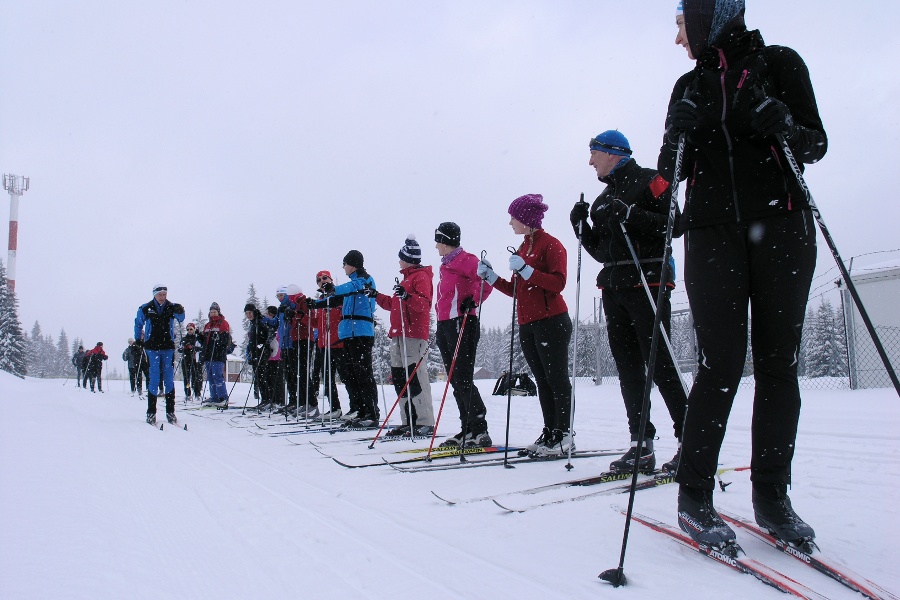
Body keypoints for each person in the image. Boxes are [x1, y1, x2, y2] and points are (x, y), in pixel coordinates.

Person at [660, 0, 826, 549]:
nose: (678, 36)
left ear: (711, 15)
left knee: (779, 362)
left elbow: (815, 143)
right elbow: (667, 178)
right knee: (720, 363)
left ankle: (772, 498)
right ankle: (694, 498)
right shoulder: (688, 87)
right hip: (712, 235)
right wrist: (678, 138)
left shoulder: (781, 63)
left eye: (682, 22)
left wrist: (783, 122)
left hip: (782, 225)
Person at [570, 130, 688, 473]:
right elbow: (602, 251)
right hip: (615, 285)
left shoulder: (652, 180)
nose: (590, 161)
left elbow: (674, 225)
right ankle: (641, 444)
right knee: (628, 368)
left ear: (613, 153)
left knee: (660, 363)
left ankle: (690, 443)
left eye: (594, 153)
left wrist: (632, 215)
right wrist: (582, 228)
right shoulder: (602, 201)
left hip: (648, 281)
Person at [479, 195, 573, 457]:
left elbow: (558, 283)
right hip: (528, 324)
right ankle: (551, 432)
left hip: (552, 321)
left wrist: (529, 271)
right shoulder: (522, 249)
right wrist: (492, 277)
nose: (510, 222)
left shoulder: (551, 245)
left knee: (556, 379)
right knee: (542, 381)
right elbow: (517, 290)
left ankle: (565, 433)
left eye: (513, 217)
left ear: (528, 219)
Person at [434, 222, 493, 447]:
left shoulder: (465, 259)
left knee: (463, 377)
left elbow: (487, 279)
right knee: (454, 378)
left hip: (463, 322)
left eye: (438, 241)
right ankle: (467, 428)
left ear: (446, 241)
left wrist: (474, 300)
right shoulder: (447, 264)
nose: (436, 246)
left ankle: (479, 429)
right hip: (446, 324)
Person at [371, 235, 436, 437]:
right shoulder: (407, 278)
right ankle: (408, 420)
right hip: (399, 334)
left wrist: (407, 295)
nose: (398, 261)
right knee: (400, 378)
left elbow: (424, 305)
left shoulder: (421, 277)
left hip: (414, 334)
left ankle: (424, 422)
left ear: (408, 258)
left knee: (415, 377)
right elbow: (394, 305)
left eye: (400, 257)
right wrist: (375, 295)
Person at [317, 250, 380, 428]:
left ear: (352, 264)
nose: (344, 267)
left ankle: (371, 412)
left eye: (344, 264)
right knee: (353, 374)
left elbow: (352, 288)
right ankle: (360, 409)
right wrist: (316, 303)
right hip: (350, 334)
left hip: (361, 332)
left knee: (363, 373)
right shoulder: (352, 284)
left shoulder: (363, 279)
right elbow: (337, 298)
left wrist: (334, 289)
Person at [134, 284, 186, 425]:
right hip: (152, 347)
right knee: (154, 378)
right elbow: (138, 323)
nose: (162, 297)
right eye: (160, 295)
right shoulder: (146, 308)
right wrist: (138, 339)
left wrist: (181, 311)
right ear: (154, 295)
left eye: (164, 294)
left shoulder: (171, 306)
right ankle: (151, 412)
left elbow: (181, 318)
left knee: (169, 379)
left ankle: (170, 412)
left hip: (167, 346)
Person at [309, 270, 347, 420]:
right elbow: (317, 323)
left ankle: (358, 408)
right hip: (324, 344)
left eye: (324, 278)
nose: (322, 281)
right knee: (327, 378)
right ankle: (335, 408)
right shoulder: (320, 299)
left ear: (330, 279)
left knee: (346, 376)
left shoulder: (339, 294)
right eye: (318, 280)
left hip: (339, 342)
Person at [244, 303, 277, 410]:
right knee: (259, 376)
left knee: (263, 376)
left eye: (250, 312)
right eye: (246, 313)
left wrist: (264, 344)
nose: (248, 315)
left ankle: (268, 399)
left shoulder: (261, 320)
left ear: (254, 311)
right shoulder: (253, 323)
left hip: (262, 351)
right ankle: (265, 399)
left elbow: (271, 331)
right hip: (255, 351)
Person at [201, 302, 233, 408]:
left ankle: (223, 397)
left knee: (217, 376)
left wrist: (218, 339)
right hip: (208, 354)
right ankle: (214, 396)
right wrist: (198, 336)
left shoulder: (223, 323)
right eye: (211, 312)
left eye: (214, 312)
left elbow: (225, 339)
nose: (213, 314)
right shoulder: (208, 325)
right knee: (210, 377)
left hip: (218, 355)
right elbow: (204, 341)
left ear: (218, 312)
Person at [178, 322, 204, 399]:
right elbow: (179, 349)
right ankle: (187, 393)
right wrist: (184, 348)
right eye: (188, 329)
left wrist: (193, 348)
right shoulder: (184, 339)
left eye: (191, 329)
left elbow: (201, 348)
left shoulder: (196, 338)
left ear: (194, 329)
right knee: (186, 377)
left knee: (196, 376)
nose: (189, 331)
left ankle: (197, 392)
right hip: (186, 360)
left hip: (195, 359)